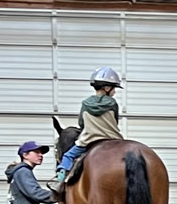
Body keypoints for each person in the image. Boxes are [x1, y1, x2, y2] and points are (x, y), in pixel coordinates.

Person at [51, 66, 123, 197]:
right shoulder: (113, 103)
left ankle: (59, 181)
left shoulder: (85, 103)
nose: (114, 92)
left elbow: (81, 124)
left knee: (68, 155)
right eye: (114, 88)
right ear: (106, 88)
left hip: (88, 140)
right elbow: (115, 122)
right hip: (112, 140)